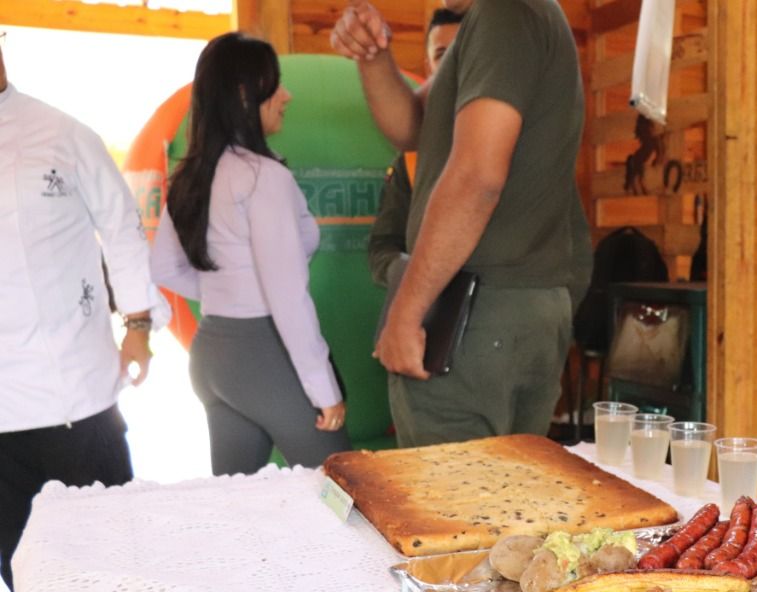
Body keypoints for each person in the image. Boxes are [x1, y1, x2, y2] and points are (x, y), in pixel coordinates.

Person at [333, 0, 590, 447]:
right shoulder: (519, 17)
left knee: (446, 491)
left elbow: (476, 177)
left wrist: (406, 313)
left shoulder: (503, 13)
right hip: (524, 308)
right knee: (508, 488)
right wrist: (373, 57)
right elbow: (412, 126)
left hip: (471, 316)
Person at [0, 33, 172, 592]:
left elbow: (121, 230)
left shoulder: (61, 133)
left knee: (105, 542)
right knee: (15, 550)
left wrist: (138, 327)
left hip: (75, 386)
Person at [151, 33, 351, 475]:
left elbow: (163, 266)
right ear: (245, 94)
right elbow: (287, 297)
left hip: (213, 355)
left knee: (235, 501)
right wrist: (325, 390)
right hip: (264, 354)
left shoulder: (194, 174)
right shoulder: (263, 177)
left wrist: (226, 290)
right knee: (346, 493)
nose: (286, 95)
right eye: (274, 84)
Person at [367, 8, 463, 309]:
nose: (453, 65)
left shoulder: (522, 137)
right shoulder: (410, 160)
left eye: (463, 53)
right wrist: (414, 275)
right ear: (428, 65)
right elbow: (382, 248)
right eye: (442, 55)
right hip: (433, 317)